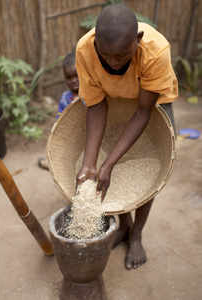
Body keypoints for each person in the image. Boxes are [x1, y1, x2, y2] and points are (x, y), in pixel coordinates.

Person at [75, 4, 178, 270]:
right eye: (106, 54)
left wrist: (107, 163)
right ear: (96, 43)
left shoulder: (156, 51)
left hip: (152, 103)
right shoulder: (85, 50)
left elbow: (144, 111)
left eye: (122, 54)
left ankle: (137, 235)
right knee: (108, 171)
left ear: (138, 40)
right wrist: (90, 164)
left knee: (149, 167)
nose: (114, 61)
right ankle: (125, 225)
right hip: (115, 94)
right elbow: (96, 105)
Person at [38, 51, 79, 170]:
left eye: (76, 75)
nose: (73, 80)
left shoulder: (91, 93)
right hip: (73, 136)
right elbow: (60, 121)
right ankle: (53, 164)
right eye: (68, 77)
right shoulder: (65, 99)